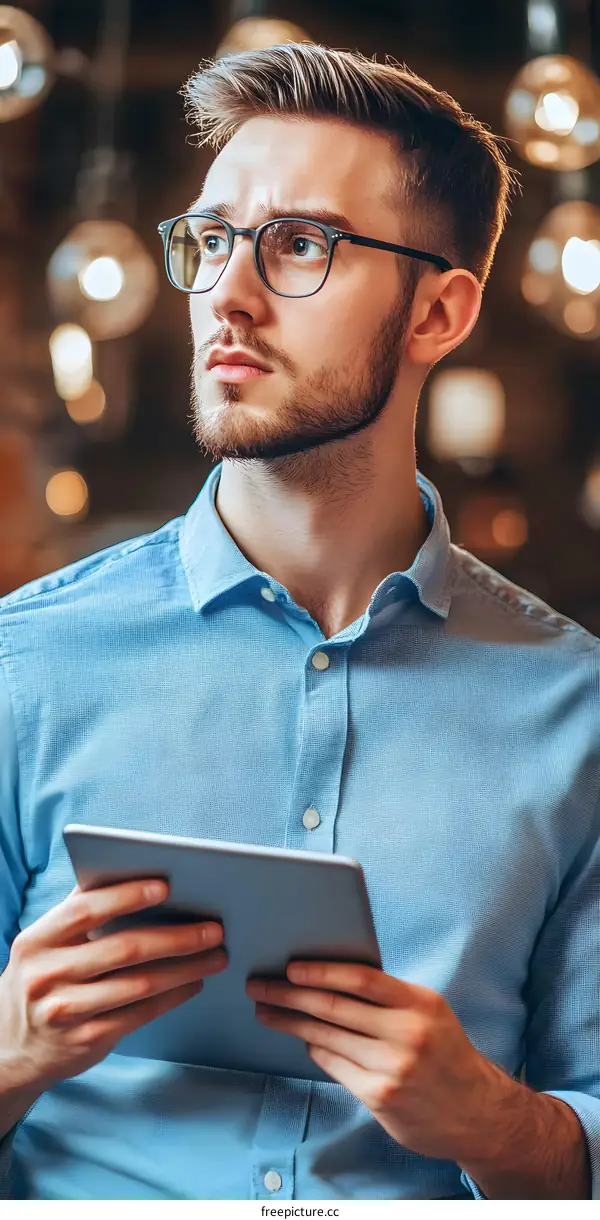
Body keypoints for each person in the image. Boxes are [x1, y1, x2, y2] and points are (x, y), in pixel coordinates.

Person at [0, 42, 598, 1203]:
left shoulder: (576, 711)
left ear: (439, 309)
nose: (228, 290)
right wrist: (13, 1049)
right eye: (213, 239)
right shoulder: (20, 663)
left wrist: (501, 1122)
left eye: (301, 245)